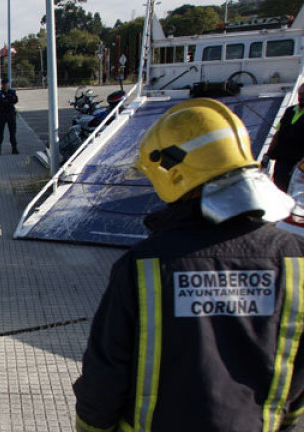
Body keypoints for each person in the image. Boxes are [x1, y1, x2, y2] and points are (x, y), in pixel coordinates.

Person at [73, 98, 303, 431]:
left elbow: (104, 378)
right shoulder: (296, 263)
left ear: (174, 174)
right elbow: (296, 388)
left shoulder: (144, 266)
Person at [266, 83, 304, 192]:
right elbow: (278, 134)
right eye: (299, 94)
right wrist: (268, 154)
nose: (301, 98)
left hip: (300, 165)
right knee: (281, 190)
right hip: (282, 161)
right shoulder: (290, 111)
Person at [0, 78, 19, 155]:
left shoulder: (12, 92)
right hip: (2, 114)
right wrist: (8, 99)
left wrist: (7, 99)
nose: (5, 86)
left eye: (7, 84)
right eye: (4, 84)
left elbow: (15, 100)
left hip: (11, 114)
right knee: (0, 133)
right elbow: (1, 101)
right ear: (2, 85)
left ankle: (14, 148)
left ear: (9, 84)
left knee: (12, 133)